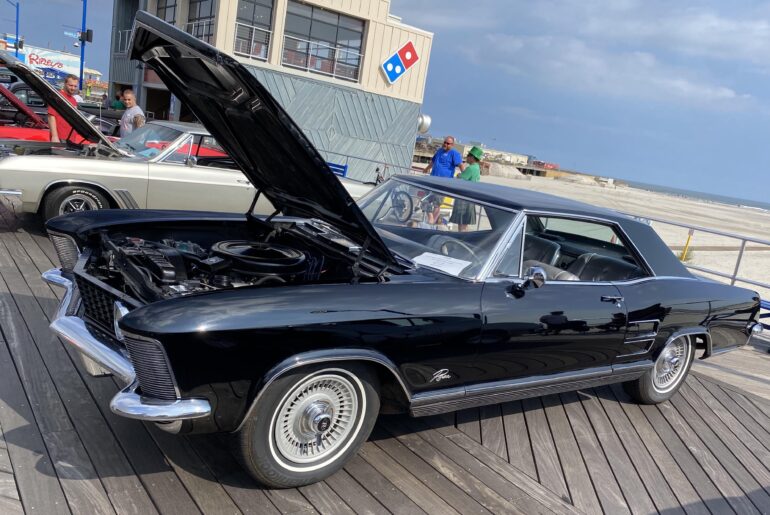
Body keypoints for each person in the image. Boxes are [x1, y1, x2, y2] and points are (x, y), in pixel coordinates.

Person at [449, 146, 483, 231]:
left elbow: (460, 178)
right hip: (470, 198)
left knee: (462, 224)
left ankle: (459, 242)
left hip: (464, 199)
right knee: (465, 224)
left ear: (472, 157)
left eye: (468, 155)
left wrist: (458, 175)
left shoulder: (471, 168)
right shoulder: (477, 168)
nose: (467, 157)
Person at [48, 74, 85, 144]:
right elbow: (51, 116)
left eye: (75, 86)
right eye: (70, 85)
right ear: (65, 84)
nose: (73, 88)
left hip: (71, 138)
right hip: (60, 138)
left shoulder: (74, 100)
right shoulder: (57, 97)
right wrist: (54, 136)